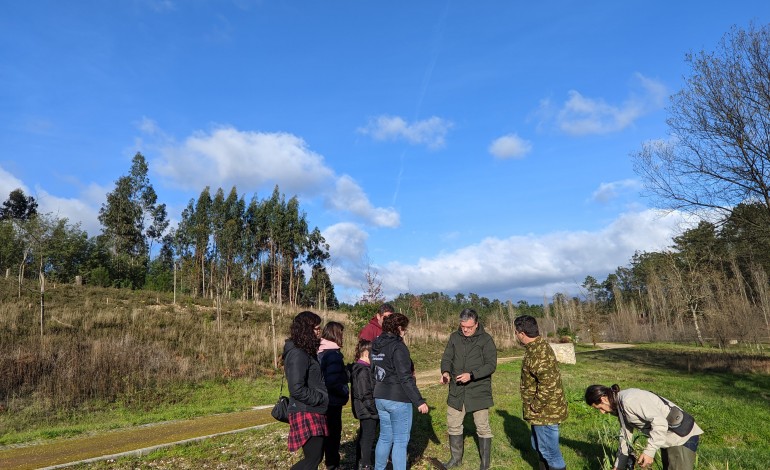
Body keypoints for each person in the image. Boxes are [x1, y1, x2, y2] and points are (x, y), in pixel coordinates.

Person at [584, 384, 703, 470]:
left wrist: (649, 452)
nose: (602, 412)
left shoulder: (630, 400)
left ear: (604, 399)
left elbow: (660, 422)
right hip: (667, 439)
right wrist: (619, 466)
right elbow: (625, 437)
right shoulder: (619, 406)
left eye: (599, 407)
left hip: (681, 438)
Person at [440, 308, 497, 470]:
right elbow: (447, 358)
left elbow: (491, 365)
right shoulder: (454, 337)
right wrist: (445, 372)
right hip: (457, 390)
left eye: (469, 327)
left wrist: (471, 375)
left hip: (478, 390)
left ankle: (484, 464)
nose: (465, 330)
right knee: (453, 424)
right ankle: (456, 459)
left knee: (482, 427)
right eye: (463, 326)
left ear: (476, 324)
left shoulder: (486, 340)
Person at [371, 312, 429, 470]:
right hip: (397, 398)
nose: (405, 332)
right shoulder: (398, 346)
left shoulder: (376, 344)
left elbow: (374, 371)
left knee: (384, 438)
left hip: (380, 396)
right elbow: (405, 377)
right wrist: (419, 401)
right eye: (405, 329)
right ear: (398, 328)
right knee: (400, 441)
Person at [514, 315, 568, 470]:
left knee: (550, 452)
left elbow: (548, 383)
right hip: (542, 411)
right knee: (539, 447)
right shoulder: (536, 347)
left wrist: (535, 406)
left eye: (516, 333)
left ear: (522, 333)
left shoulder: (538, 352)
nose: (516, 336)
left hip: (545, 412)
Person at [283, 311, 329, 470]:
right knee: (313, 459)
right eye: (316, 328)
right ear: (306, 330)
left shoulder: (305, 351)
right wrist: (320, 398)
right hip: (306, 410)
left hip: (311, 409)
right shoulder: (298, 353)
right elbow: (296, 388)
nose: (319, 331)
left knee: (315, 458)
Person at [318, 321, 349, 470]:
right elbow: (333, 380)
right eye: (341, 333)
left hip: (322, 400)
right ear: (336, 334)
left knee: (326, 435)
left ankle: (329, 462)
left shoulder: (320, 351)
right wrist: (344, 391)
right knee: (333, 436)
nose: (343, 336)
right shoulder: (333, 355)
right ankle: (332, 465)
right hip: (333, 401)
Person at [349, 339, 378, 470]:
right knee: (368, 437)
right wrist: (374, 411)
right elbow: (365, 394)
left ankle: (360, 462)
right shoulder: (362, 371)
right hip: (367, 411)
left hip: (365, 410)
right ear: (366, 353)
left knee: (364, 435)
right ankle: (365, 463)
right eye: (374, 353)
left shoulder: (362, 369)